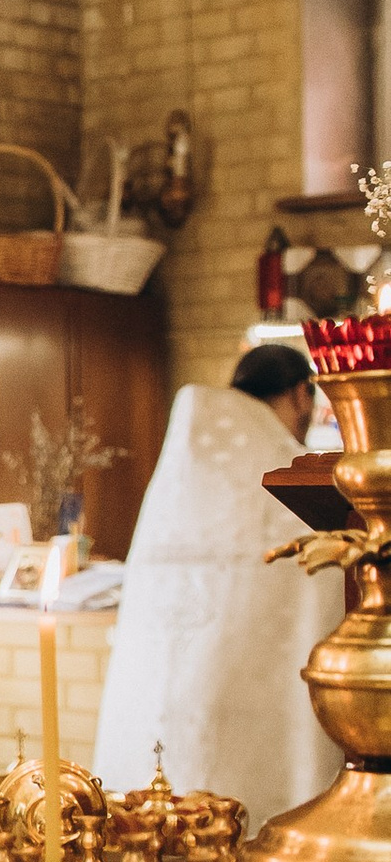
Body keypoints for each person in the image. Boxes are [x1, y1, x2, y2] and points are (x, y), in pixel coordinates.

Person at [94, 341, 341, 831]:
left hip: (166, 694)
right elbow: (329, 567)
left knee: (158, 815)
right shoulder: (283, 466)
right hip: (250, 701)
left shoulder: (186, 460)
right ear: (301, 394)